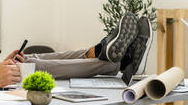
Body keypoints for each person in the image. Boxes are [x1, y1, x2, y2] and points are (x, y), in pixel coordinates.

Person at [24, 12, 153, 83]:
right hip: (13, 77)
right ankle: (122, 60)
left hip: (10, 65)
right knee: (28, 64)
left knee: (28, 58)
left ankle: (103, 50)